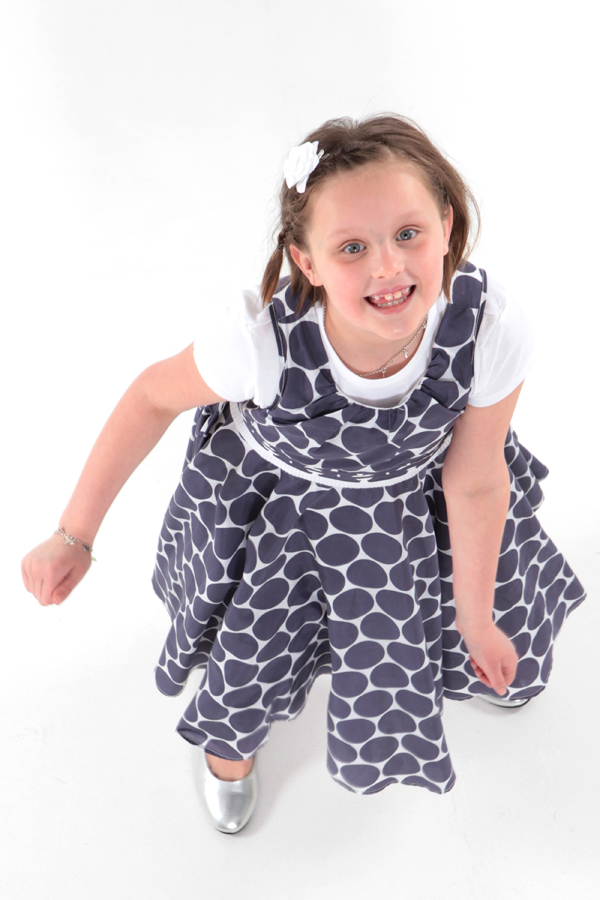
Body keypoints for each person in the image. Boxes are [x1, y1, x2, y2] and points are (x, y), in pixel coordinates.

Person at [21, 113, 587, 835]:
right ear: (307, 262)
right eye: (352, 247)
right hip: (285, 519)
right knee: (255, 645)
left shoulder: (488, 325)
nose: (388, 267)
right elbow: (150, 398)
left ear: (446, 226)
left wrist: (474, 618)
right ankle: (228, 749)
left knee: (461, 607)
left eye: (408, 233)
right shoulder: (257, 345)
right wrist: (73, 533)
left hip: (417, 508)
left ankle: (472, 645)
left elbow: (475, 478)